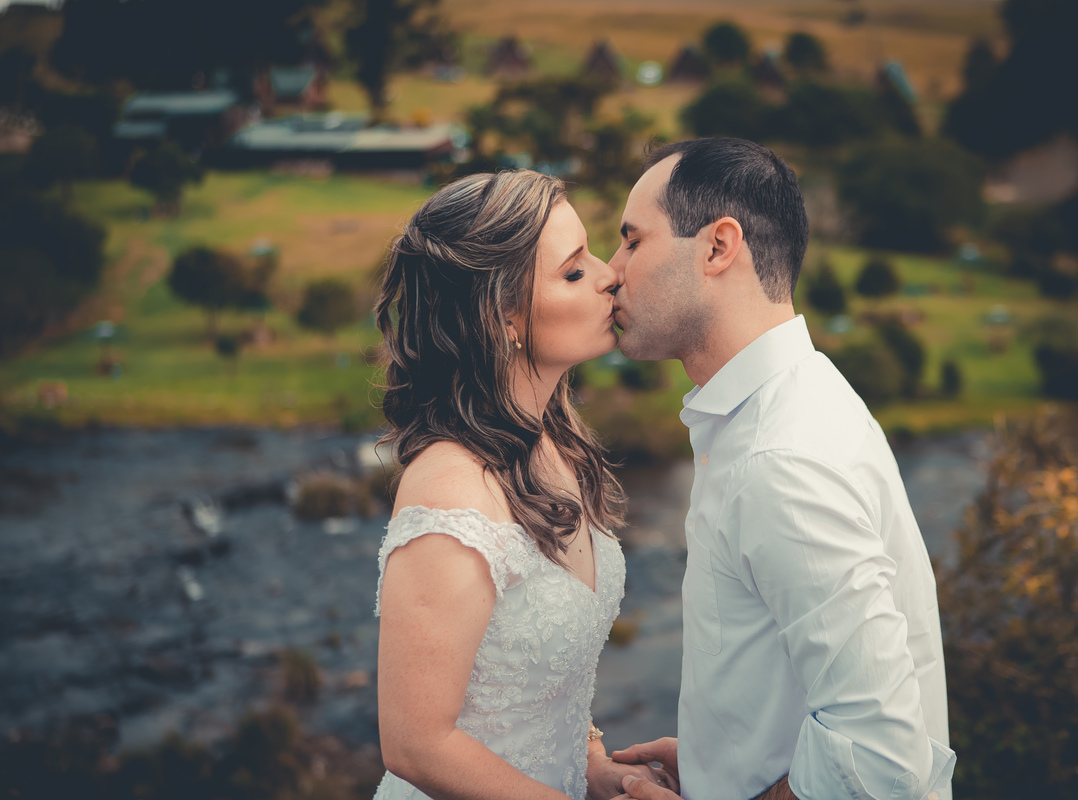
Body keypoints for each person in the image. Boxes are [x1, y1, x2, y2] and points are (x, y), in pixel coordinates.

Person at [597, 139, 956, 800]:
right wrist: (720, 759)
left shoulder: (780, 460)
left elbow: (883, 764)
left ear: (716, 246)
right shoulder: (791, 402)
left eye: (631, 240)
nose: (610, 271)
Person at [371, 170, 678, 800]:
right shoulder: (450, 488)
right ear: (502, 317)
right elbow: (415, 742)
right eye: (572, 271)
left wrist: (593, 764)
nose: (608, 275)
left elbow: (537, 682)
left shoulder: (553, 447)